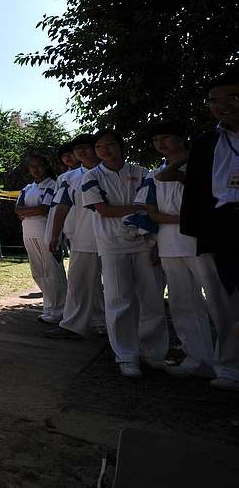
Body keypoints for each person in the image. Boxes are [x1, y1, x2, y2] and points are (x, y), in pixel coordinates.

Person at [135, 122, 223, 380]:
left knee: (218, 300)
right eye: (156, 140)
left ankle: (229, 364)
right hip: (170, 244)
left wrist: (186, 221)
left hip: (201, 242)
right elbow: (151, 212)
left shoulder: (205, 164)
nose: (161, 144)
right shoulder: (155, 174)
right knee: (182, 303)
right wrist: (178, 224)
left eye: (166, 137)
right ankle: (198, 359)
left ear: (182, 137)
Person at [81, 130, 168, 379]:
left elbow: (152, 206)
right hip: (112, 245)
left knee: (152, 299)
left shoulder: (142, 172)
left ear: (120, 146)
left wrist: (153, 237)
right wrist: (139, 208)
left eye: (110, 144)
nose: (104, 150)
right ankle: (127, 356)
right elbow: (104, 210)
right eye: (99, 147)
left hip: (145, 243)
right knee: (119, 300)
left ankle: (154, 353)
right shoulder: (92, 176)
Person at [175, 68, 239, 391]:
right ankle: (229, 367)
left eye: (232, 98)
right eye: (214, 100)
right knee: (222, 302)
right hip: (218, 228)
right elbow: (195, 192)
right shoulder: (206, 142)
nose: (222, 106)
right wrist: (197, 234)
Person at [45, 134, 106, 340]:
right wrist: (55, 235)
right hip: (83, 237)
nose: (81, 152)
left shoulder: (110, 172)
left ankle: (106, 323)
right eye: (77, 149)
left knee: (115, 284)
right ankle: (73, 325)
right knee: (78, 281)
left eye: (86, 147)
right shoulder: (68, 178)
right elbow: (60, 208)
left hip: (115, 238)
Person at [15, 153, 67, 324]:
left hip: (47, 232)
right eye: (32, 166)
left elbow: (44, 209)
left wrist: (26, 212)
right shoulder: (27, 188)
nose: (36, 169)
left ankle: (61, 310)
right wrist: (32, 211)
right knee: (38, 273)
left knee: (53, 272)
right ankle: (49, 308)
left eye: (39, 165)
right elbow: (17, 209)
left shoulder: (52, 184)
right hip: (28, 233)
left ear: (46, 166)